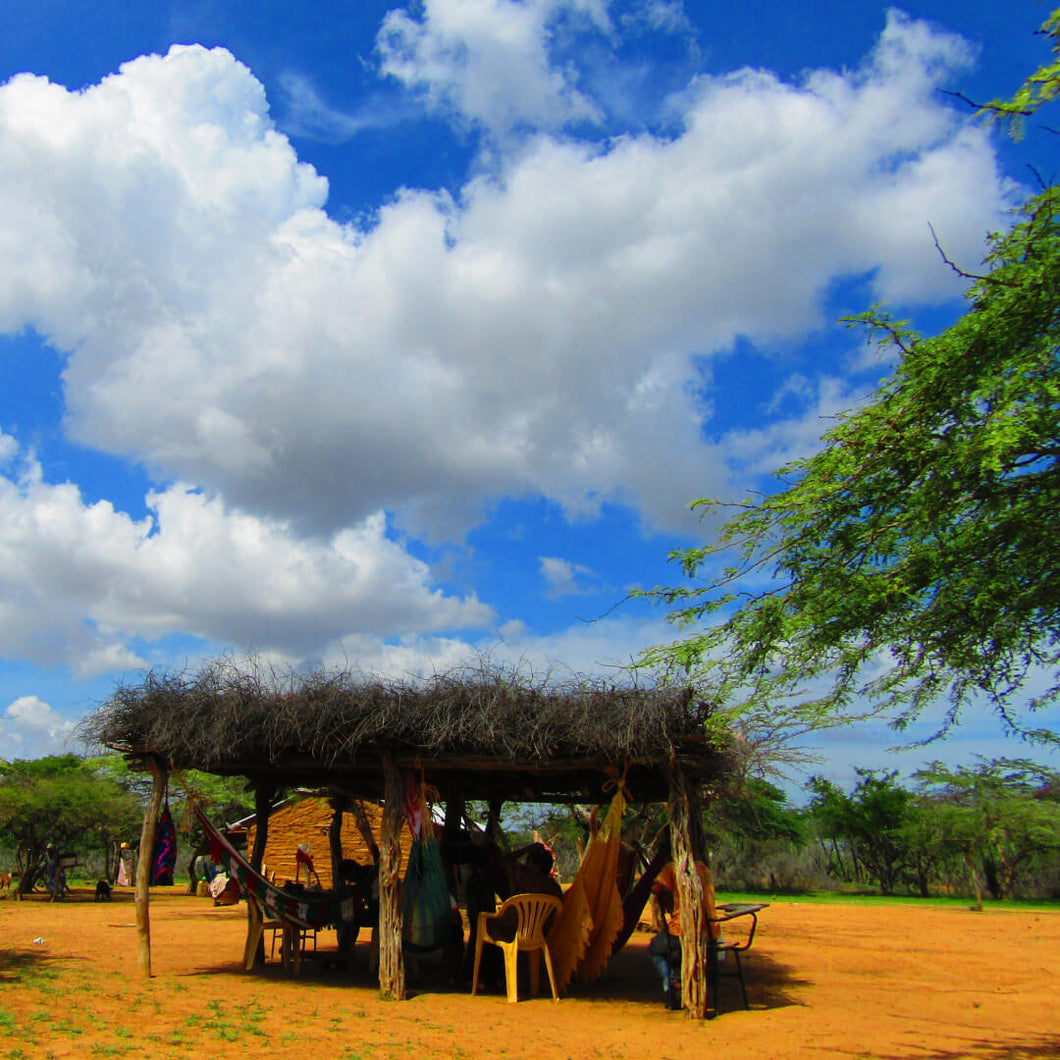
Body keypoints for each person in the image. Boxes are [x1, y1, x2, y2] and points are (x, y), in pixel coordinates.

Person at [648, 859, 720, 1010]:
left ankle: (670, 984)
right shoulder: (703, 868)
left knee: (655, 949)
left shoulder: (674, 866)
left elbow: (655, 888)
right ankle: (682, 978)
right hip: (709, 932)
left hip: (681, 931)